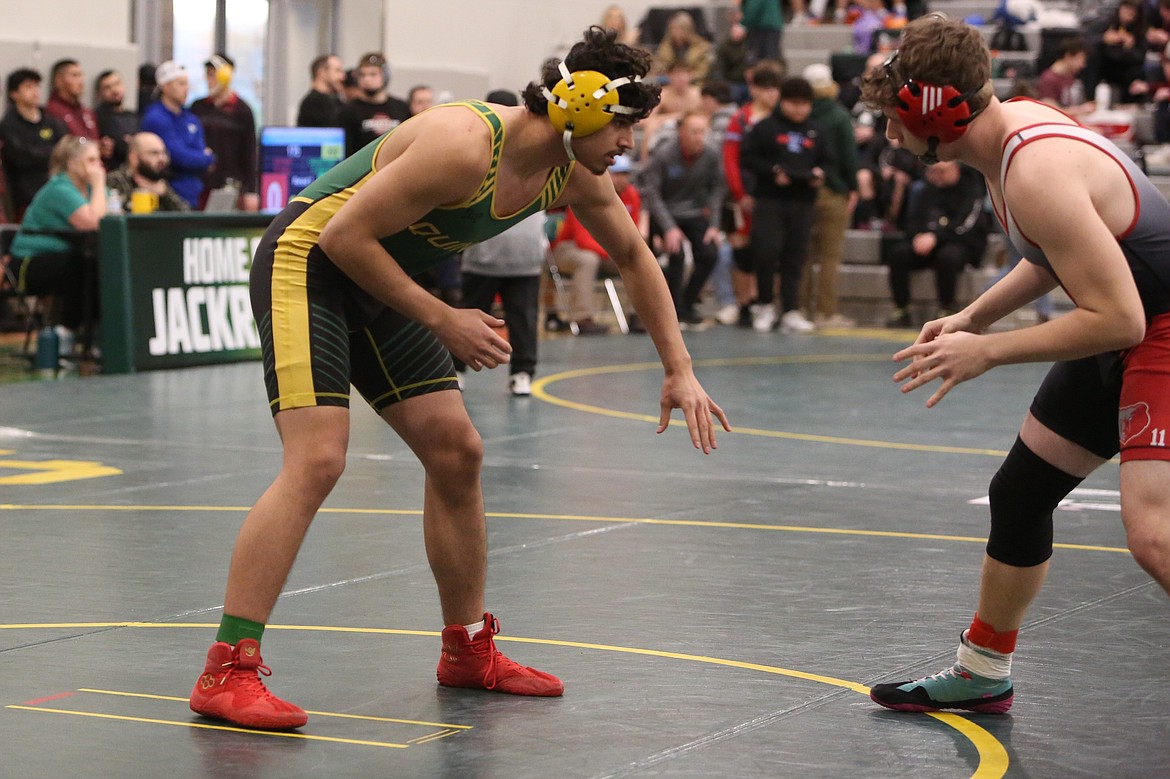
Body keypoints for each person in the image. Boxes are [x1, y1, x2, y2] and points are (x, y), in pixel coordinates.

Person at [187, 26, 729, 732]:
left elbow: (634, 256)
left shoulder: (574, 173)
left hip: (376, 278)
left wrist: (679, 368)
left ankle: (467, 650)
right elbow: (340, 237)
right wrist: (444, 318)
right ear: (585, 105)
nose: (630, 141)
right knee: (318, 456)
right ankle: (226, 667)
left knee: (456, 450)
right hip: (307, 263)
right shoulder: (464, 144)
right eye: (625, 124)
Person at [860, 14, 1170, 715]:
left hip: (1154, 329)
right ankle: (982, 669)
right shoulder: (1013, 136)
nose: (886, 134)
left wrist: (987, 351)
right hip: (1132, 325)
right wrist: (976, 316)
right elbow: (1055, 254)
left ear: (928, 114)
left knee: (1153, 534)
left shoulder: (1033, 170)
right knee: (1022, 493)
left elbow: (1117, 315)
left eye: (889, 119)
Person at [740, 76, 827, 334]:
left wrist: (820, 174)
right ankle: (764, 304)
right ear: (783, 102)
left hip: (803, 202)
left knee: (796, 255)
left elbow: (829, 161)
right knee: (767, 252)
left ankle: (791, 309)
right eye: (794, 103)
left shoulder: (817, 130)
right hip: (770, 200)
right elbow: (748, 158)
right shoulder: (766, 128)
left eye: (804, 104)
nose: (799, 109)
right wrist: (772, 171)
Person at [8, 135, 105, 351]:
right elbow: (94, 223)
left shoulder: (89, 190)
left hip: (68, 260)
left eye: (98, 159)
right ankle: (66, 333)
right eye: (91, 160)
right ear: (72, 163)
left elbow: (111, 217)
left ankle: (100, 338)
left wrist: (98, 190)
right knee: (86, 267)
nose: (98, 167)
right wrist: (99, 185)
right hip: (28, 264)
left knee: (101, 266)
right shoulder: (59, 189)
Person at [638, 111, 725, 328]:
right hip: (664, 211)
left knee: (710, 253)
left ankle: (687, 303)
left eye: (703, 132)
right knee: (676, 253)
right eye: (694, 132)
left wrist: (714, 225)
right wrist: (668, 228)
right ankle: (673, 311)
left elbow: (717, 190)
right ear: (681, 133)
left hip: (693, 212)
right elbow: (652, 193)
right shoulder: (664, 154)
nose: (699, 137)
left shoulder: (711, 154)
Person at [881, 159, 989, 327]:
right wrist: (917, 236)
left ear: (955, 170)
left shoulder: (971, 190)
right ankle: (901, 308)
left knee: (947, 257)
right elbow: (912, 219)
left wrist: (936, 237)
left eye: (941, 171)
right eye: (933, 172)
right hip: (928, 242)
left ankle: (946, 307)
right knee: (898, 254)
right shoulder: (926, 190)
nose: (937, 176)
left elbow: (964, 225)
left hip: (960, 242)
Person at [549, 154, 644, 335]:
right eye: (617, 174)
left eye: (625, 174)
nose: (621, 179)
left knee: (637, 258)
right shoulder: (588, 193)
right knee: (588, 260)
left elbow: (634, 231)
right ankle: (583, 318)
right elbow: (582, 239)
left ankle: (638, 316)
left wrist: (623, 251)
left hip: (608, 249)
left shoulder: (632, 195)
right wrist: (615, 252)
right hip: (569, 249)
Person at [456, 210, 547, 396]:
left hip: (525, 262)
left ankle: (522, 373)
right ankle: (455, 370)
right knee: (467, 319)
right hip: (480, 260)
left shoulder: (544, 181)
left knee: (524, 320)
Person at [722, 64, 783, 327]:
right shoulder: (741, 118)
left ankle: (766, 301)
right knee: (743, 251)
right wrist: (739, 192)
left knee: (771, 251)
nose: (772, 95)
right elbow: (730, 158)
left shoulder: (782, 119)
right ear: (754, 90)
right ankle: (744, 302)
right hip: (744, 191)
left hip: (773, 194)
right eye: (766, 89)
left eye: (775, 89)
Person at [801, 63, 860, 329]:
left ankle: (801, 309)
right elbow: (849, 157)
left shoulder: (800, 114)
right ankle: (827, 312)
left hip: (802, 190)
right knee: (829, 256)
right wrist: (853, 187)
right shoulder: (838, 116)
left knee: (802, 254)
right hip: (833, 190)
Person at [140, 61, 215, 208]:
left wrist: (205, 158)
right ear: (165, 87)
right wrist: (205, 158)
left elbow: (204, 156)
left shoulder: (190, 119)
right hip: (167, 196)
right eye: (180, 84)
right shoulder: (156, 118)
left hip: (194, 195)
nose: (186, 89)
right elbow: (178, 156)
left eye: (187, 83)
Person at [191, 54, 259, 212]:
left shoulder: (242, 110)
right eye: (207, 74)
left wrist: (251, 191)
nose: (209, 79)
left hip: (232, 185)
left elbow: (249, 152)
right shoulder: (198, 107)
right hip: (202, 185)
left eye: (213, 75)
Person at [0, 68, 67, 221]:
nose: (35, 91)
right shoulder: (8, 125)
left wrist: (41, 153)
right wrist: (52, 152)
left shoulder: (52, 121)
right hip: (26, 195)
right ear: (14, 93)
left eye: (37, 86)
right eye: (28, 87)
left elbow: (65, 151)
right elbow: (21, 157)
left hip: (55, 189)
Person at [337, 52, 410, 157]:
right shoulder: (348, 111)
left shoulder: (401, 107)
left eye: (373, 74)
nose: (367, 79)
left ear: (385, 76)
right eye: (363, 75)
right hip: (361, 170)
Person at [105, 131, 190, 212]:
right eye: (154, 153)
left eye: (163, 153)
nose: (162, 159)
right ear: (134, 158)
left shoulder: (160, 181)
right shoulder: (115, 180)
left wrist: (165, 193)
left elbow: (188, 216)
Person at [1035, 37, 1095, 116]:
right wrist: (1080, 110)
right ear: (1068, 56)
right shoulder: (1048, 79)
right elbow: (1050, 111)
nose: (1082, 65)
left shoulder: (1071, 75)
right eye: (1080, 59)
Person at [94, 69, 140, 171]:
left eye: (117, 84)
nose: (114, 90)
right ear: (99, 93)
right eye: (107, 88)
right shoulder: (99, 117)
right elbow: (120, 146)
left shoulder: (133, 115)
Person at [650, 11, 713, 84]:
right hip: (670, 82)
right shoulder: (665, 46)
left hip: (693, 82)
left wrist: (687, 77)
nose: (675, 32)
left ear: (688, 30)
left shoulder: (701, 47)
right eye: (673, 29)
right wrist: (669, 75)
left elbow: (703, 71)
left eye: (679, 29)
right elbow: (659, 65)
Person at [45, 59, 99, 141]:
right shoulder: (52, 112)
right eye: (74, 75)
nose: (81, 81)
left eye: (81, 75)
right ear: (59, 81)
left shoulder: (86, 111)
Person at [296, 54, 345, 128]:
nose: (342, 76)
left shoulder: (335, 100)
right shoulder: (314, 102)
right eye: (337, 71)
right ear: (322, 72)